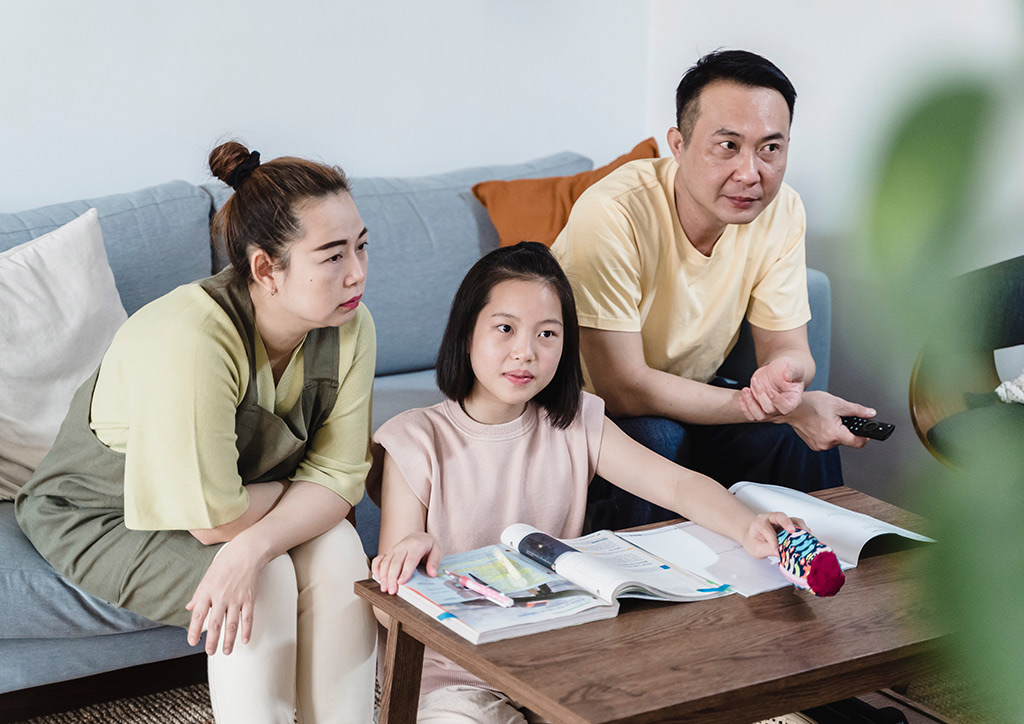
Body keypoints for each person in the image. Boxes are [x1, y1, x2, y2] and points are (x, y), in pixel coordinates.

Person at [16, 142, 378, 723]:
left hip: (231, 506)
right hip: (103, 514)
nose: (357, 272)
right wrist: (293, 501)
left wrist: (256, 541)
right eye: (333, 256)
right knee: (265, 583)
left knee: (338, 549)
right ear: (266, 269)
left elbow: (340, 480)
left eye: (361, 246)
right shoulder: (192, 337)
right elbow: (217, 521)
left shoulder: (350, 325)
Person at [370, 242, 798, 724]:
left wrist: (747, 527)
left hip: (561, 664)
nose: (525, 352)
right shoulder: (414, 439)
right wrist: (409, 556)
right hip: (455, 679)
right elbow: (388, 610)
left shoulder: (575, 421)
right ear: (466, 333)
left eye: (547, 333)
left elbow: (676, 486)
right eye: (505, 328)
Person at [550, 49, 877, 532]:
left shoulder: (782, 211)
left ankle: (824, 566)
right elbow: (623, 389)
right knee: (657, 438)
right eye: (728, 145)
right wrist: (774, 411)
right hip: (587, 410)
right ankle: (650, 580)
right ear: (678, 145)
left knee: (797, 440)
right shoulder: (613, 213)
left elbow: (788, 348)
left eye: (770, 148)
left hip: (691, 400)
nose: (750, 173)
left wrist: (783, 381)